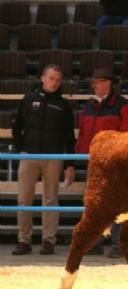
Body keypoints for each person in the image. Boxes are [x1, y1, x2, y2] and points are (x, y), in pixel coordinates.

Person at [11, 64, 76, 256]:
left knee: (50, 200)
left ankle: (48, 241)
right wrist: (21, 149)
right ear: (42, 78)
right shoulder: (28, 99)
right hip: (29, 156)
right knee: (24, 200)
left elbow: (69, 137)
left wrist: (69, 164)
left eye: (58, 79)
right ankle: (24, 240)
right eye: (51, 78)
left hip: (53, 157)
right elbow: (17, 128)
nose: (54, 82)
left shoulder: (63, 105)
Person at [75, 67, 128, 258]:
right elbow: (83, 135)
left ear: (108, 83)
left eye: (98, 82)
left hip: (114, 164)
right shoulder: (88, 107)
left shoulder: (123, 106)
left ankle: (120, 242)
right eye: (94, 83)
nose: (95, 86)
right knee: (95, 204)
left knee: (118, 204)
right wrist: (78, 158)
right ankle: (95, 240)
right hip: (92, 162)